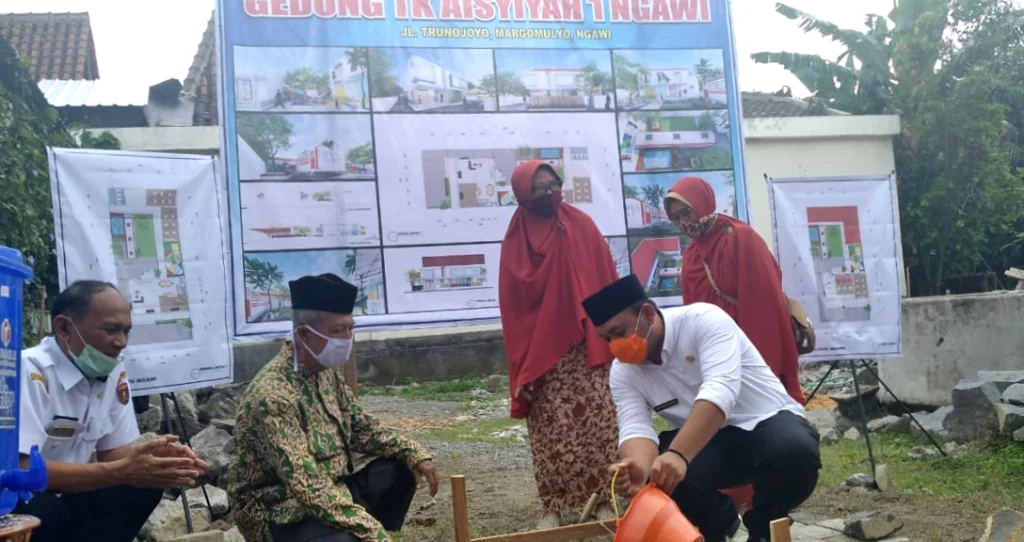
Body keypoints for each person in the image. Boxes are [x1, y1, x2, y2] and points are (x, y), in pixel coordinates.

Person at [581, 275, 821, 542]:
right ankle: (718, 524)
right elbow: (635, 425)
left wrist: (679, 456)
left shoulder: (703, 321)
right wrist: (639, 468)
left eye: (619, 333)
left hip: (765, 423)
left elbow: (720, 391)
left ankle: (764, 528)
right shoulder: (624, 372)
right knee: (663, 476)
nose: (615, 346)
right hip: (708, 442)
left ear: (647, 314)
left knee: (793, 450)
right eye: (607, 339)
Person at [230, 273, 438, 542]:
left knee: (400, 468)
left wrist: (414, 452)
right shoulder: (273, 396)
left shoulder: (324, 372)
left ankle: (350, 527)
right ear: (304, 334)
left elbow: (362, 429)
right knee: (345, 540)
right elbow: (305, 485)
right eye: (337, 331)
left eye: (351, 329)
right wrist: (370, 530)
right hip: (280, 509)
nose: (347, 339)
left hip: (333, 488)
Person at [15, 280, 208, 542]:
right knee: (44, 510)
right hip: (20, 496)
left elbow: (113, 453)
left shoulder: (111, 370)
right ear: (64, 328)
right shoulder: (28, 372)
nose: (121, 342)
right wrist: (121, 470)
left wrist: (157, 459)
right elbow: (23, 470)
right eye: (111, 330)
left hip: (69, 492)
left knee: (140, 487)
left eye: (127, 331)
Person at [498, 160, 621, 529]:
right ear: (523, 193)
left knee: (599, 424)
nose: (549, 193)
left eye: (554, 184)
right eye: (539, 188)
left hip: (587, 347)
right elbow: (514, 305)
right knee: (551, 428)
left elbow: (605, 282)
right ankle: (552, 506)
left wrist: (613, 335)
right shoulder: (516, 241)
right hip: (543, 353)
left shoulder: (580, 225)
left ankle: (602, 501)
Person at [664, 175, 804, 403]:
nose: (683, 223)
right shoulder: (691, 255)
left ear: (702, 203)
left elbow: (766, 303)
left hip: (752, 343)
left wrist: (762, 360)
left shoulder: (741, 238)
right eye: (675, 218)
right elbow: (692, 312)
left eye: (686, 213)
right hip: (714, 351)